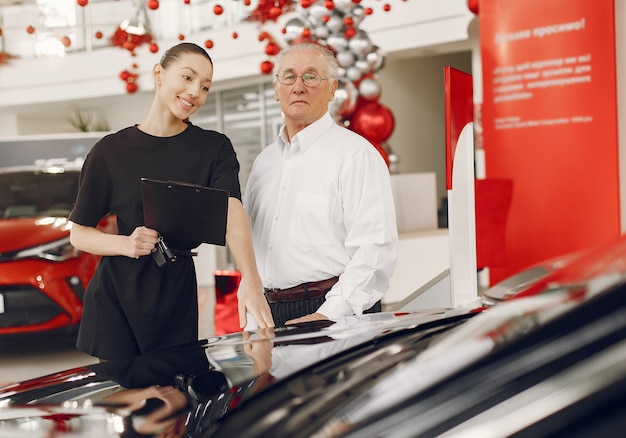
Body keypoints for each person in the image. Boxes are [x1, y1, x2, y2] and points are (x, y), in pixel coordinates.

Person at [69, 42, 274, 361]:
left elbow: (232, 214)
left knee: (173, 397)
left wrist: (251, 280)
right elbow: (78, 234)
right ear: (159, 74)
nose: (195, 92)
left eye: (205, 86)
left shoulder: (214, 148)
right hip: (116, 296)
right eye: (188, 77)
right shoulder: (109, 151)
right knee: (126, 403)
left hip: (175, 290)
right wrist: (126, 244)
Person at [244, 42, 398, 327]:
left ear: (331, 89)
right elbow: (254, 247)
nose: (298, 86)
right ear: (277, 90)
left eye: (311, 76)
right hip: (269, 314)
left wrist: (328, 315)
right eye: (288, 76)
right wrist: (254, 320)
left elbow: (375, 250)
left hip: (334, 309)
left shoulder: (356, 155)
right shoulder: (264, 163)